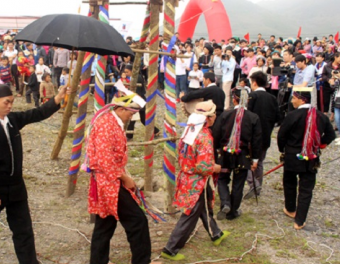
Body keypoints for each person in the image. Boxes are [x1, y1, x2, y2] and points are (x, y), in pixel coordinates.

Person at [0, 83, 69, 264]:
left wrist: (58, 99)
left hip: (16, 187)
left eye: (12, 102)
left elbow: (36, 114)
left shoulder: (12, 120)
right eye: (6, 102)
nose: (10, 106)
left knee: (23, 229)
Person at [83, 85, 151, 264]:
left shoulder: (111, 122)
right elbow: (106, 160)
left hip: (109, 179)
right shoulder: (106, 124)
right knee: (137, 221)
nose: (131, 117)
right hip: (109, 182)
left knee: (105, 225)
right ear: (120, 109)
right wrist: (125, 178)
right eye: (130, 113)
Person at [161, 100, 230, 261]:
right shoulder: (205, 136)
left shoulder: (189, 130)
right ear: (209, 118)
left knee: (203, 207)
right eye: (213, 115)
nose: (215, 118)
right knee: (190, 214)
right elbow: (203, 166)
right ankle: (170, 248)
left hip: (187, 177)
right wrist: (215, 167)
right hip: (197, 182)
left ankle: (216, 234)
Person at [277, 87, 335, 230]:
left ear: (302, 99)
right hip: (311, 156)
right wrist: (321, 144)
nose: (292, 101)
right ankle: (300, 220)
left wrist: (282, 150)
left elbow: (281, 135)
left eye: (294, 98)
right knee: (306, 189)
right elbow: (331, 134)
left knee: (290, 183)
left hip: (292, 155)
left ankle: (290, 208)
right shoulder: (321, 116)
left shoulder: (292, 115)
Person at [213, 89, 262, 220]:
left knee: (222, 179)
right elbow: (257, 141)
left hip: (225, 154)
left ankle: (225, 202)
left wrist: (216, 151)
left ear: (234, 99)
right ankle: (232, 212)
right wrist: (255, 159)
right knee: (238, 183)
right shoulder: (253, 117)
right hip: (243, 155)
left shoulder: (225, 115)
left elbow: (216, 135)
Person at [243, 72, 280, 199]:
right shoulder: (272, 98)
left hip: (252, 135)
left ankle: (254, 184)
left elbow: (247, 116)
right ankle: (258, 184)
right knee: (260, 161)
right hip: (266, 134)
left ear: (254, 82)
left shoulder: (252, 96)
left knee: (248, 160)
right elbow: (278, 117)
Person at [124, 65, 160, 139]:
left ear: (131, 71)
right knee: (142, 119)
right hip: (137, 100)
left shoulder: (137, 78)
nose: (126, 73)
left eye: (127, 72)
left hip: (138, 100)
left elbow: (137, 92)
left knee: (133, 119)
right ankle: (156, 131)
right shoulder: (134, 78)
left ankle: (128, 136)